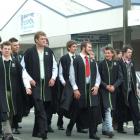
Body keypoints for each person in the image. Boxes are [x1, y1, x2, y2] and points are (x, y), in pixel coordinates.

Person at [22, 31, 58, 140]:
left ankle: (35, 132)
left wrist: (53, 78)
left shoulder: (49, 51)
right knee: (40, 108)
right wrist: (30, 79)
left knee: (42, 108)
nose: (44, 40)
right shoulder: (29, 52)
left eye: (45, 38)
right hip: (35, 84)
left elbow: (55, 67)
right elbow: (22, 68)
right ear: (36, 40)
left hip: (47, 85)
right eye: (42, 38)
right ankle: (43, 131)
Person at [67, 41, 101, 140]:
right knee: (76, 111)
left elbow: (98, 75)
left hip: (91, 89)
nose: (91, 49)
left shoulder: (92, 60)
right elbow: (71, 76)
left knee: (93, 111)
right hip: (80, 89)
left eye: (91, 47)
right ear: (83, 47)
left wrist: (97, 86)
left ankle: (92, 133)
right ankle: (69, 127)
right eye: (89, 47)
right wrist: (75, 89)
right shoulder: (76, 59)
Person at [0, 41, 23, 140]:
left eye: (9, 49)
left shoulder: (15, 61)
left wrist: (27, 86)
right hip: (1, 92)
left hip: (12, 92)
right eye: (5, 48)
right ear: (1, 49)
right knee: (5, 111)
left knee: (11, 112)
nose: (7, 50)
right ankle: (8, 134)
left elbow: (22, 75)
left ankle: (5, 132)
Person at [98, 47, 123, 138]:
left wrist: (114, 86)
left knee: (110, 110)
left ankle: (104, 129)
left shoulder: (116, 64)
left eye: (109, 53)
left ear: (112, 54)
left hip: (113, 91)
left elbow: (120, 78)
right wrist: (106, 86)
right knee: (107, 109)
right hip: (104, 90)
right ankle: (110, 130)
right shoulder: (101, 64)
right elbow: (98, 78)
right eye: (105, 53)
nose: (107, 54)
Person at [118, 45, 140, 135]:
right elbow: (119, 77)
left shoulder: (131, 62)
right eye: (129, 52)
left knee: (135, 108)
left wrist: (136, 87)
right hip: (122, 90)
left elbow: (133, 76)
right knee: (122, 109)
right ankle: (119, 127)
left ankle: (136, 128)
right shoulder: (119, 63)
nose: (130, 54)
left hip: (132, 90)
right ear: (124, 53)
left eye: (131, 52)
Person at [9, 37, 24, 134]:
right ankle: (12, 126)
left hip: (19, 87)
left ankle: (15, 124)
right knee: (11, 107)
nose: (17, 47)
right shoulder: (7, 57)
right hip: (9, 87)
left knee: (17, 106)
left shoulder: (18, 56)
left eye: (18, 45)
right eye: (15, 45)